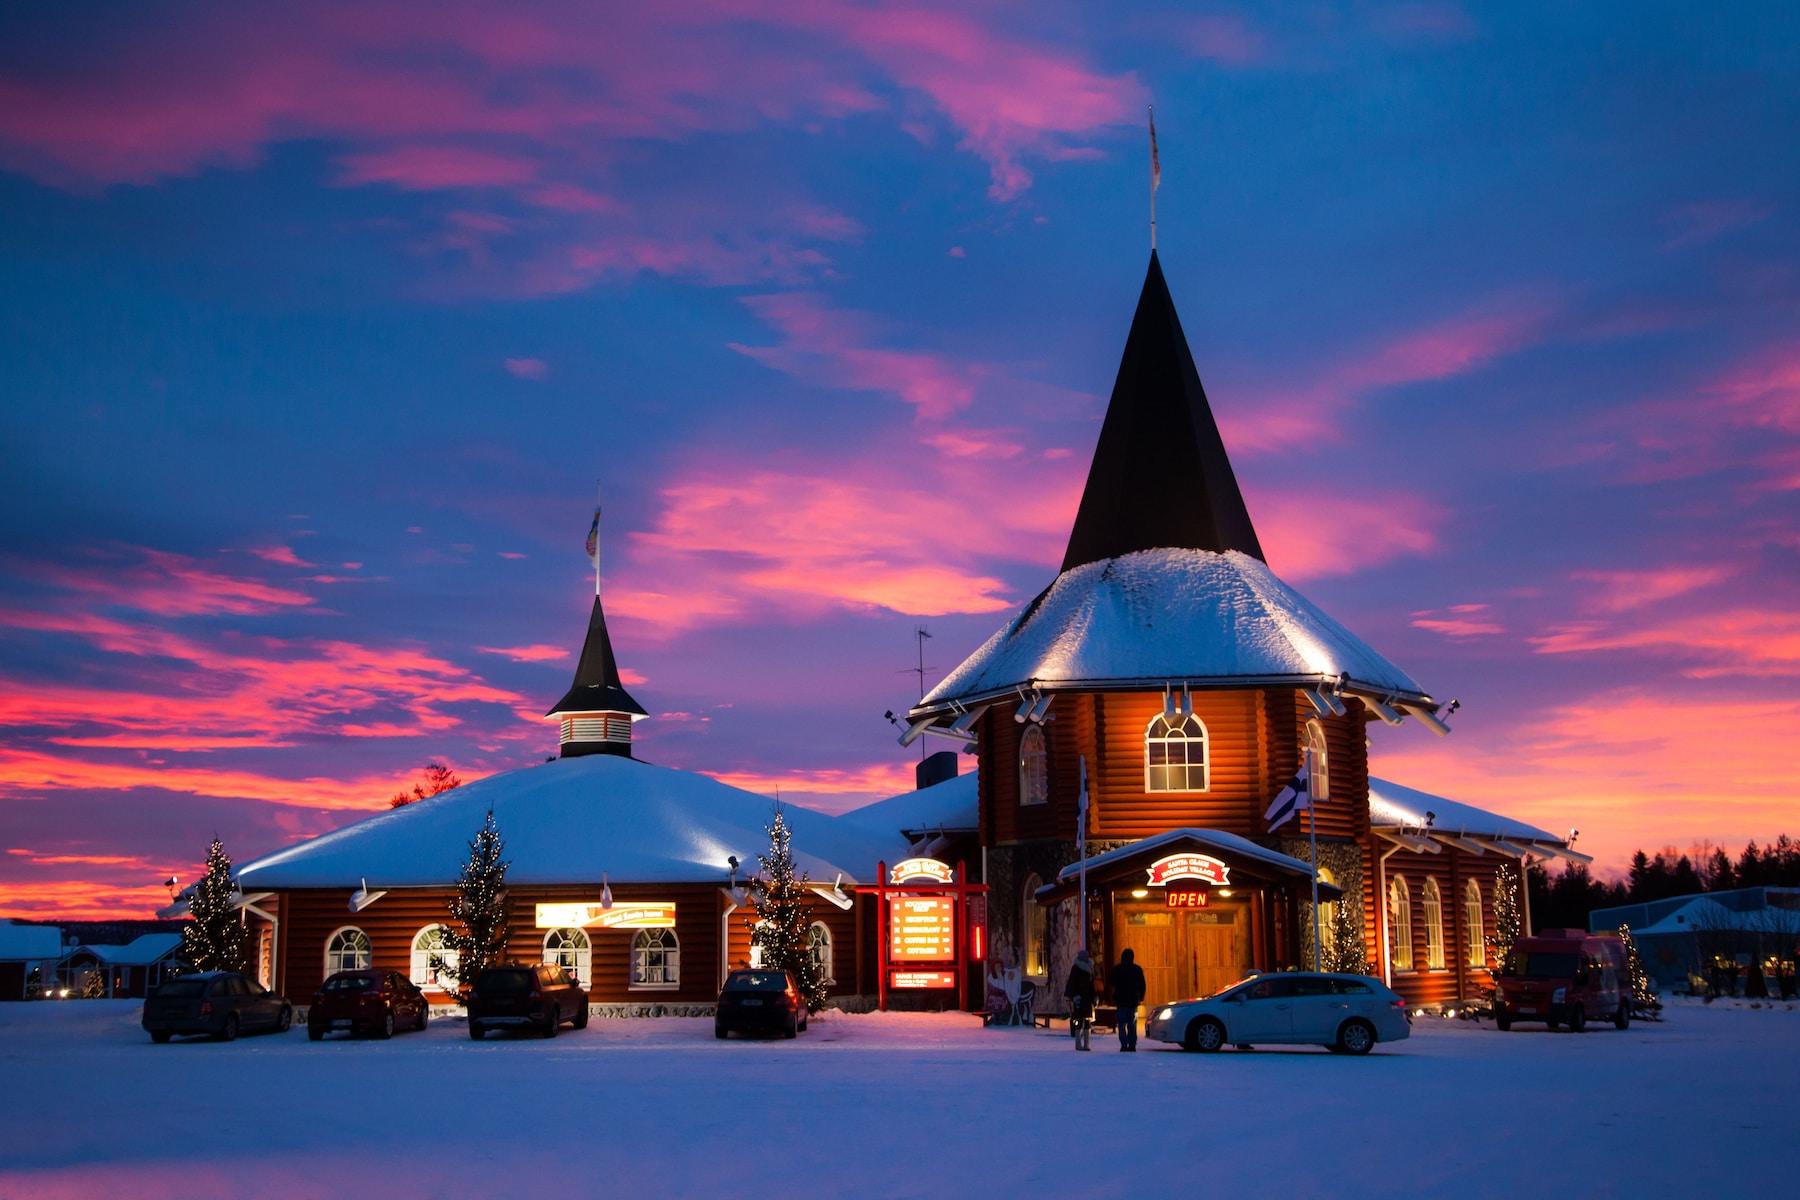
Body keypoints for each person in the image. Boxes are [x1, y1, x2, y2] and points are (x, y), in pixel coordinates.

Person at [1111, 948, 1146, 1051]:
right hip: (1133, 1001)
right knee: (1132, 1024)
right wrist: (1141, 997)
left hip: (1121, 1000)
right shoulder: (1137, 969)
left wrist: (1113, 997)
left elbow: (1111, 982)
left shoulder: (1118, 969)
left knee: (1121, 1024)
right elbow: (1142, 984)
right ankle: (1132, 1044)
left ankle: (1124, 1044)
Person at [1064, 949, 1096, 1051]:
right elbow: (1072, 983)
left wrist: (1094, 997)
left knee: (1087, 1021)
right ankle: (1078, 1044)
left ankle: (1086, 1044)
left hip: (1087, 998)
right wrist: (1074, 995)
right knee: (1079, 1020)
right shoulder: (1076, 968)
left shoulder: (1089, 968)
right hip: (1079, 998)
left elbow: (1091, 985)